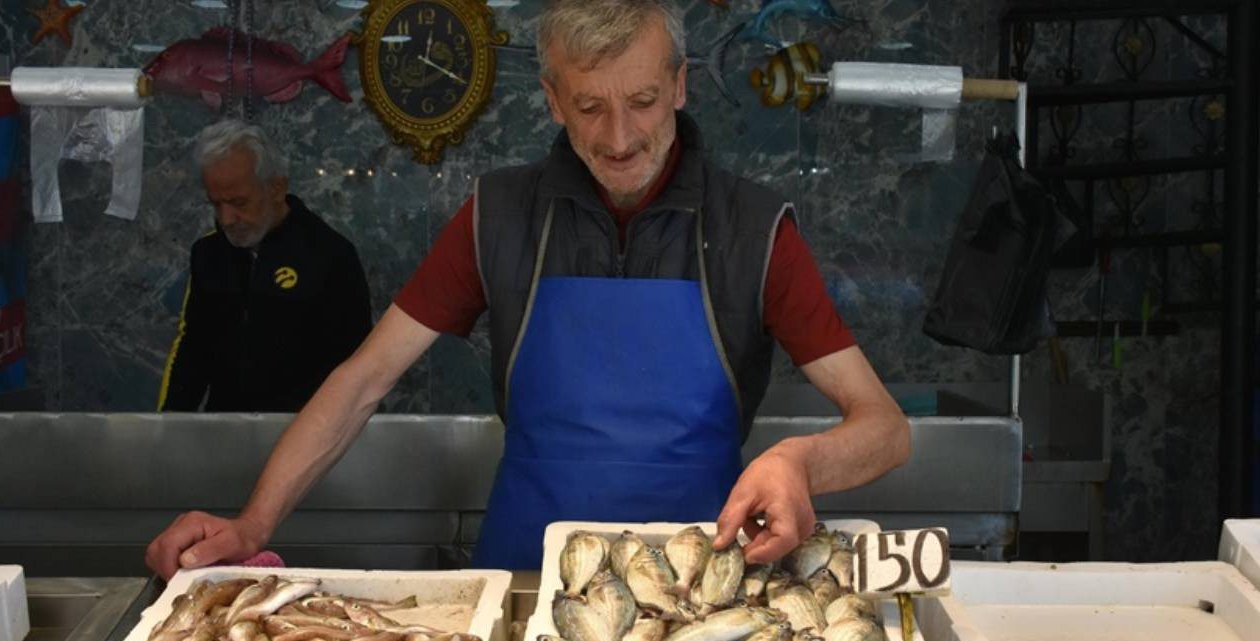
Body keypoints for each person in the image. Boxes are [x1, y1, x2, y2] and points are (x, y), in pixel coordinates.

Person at [146, 0, 909, 577]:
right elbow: (361, 381)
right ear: (550, 100)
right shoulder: (498, 216)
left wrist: (800, 463)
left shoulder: (754, 229)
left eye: (642, 102)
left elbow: (883, 426)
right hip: (520, 578)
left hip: (698, 584)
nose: (618, 138)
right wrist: (251, 525)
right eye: (589, 107)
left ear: (679, 86)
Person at [158, 120, 372, 412]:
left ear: (276, 188)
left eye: (239, 202)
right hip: (227, 434)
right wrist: (168, 429)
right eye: (216, 204)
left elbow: (355, 367)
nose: (226, 219)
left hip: (304, 435)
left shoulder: (330, 255)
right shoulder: (208, 253)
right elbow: (193, 350)